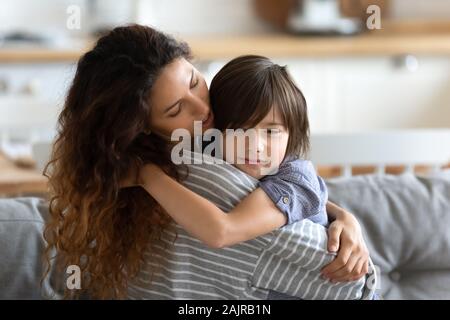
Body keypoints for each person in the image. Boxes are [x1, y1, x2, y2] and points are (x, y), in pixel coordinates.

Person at [43, 24, 370, 299]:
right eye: (175, 110)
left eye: (195, 81)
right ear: (139, 126)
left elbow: (274, 199)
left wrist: (343, 217)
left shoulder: (200, 143)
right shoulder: (198, 156)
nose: (202, 109)